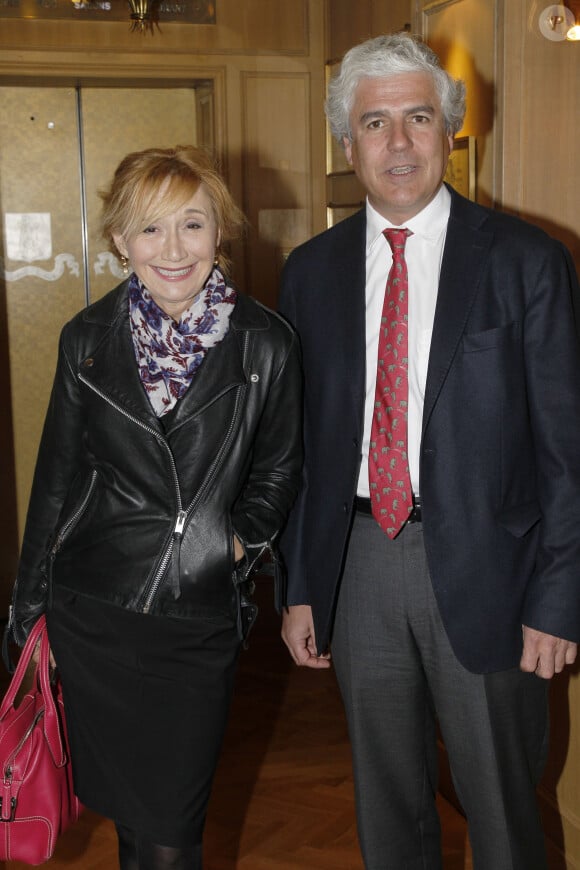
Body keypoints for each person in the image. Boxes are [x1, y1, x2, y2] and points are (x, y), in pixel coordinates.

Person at [278, 32, 580, 870]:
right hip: (359, 566)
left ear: (448, 131)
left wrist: (559, 598)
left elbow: (568, 448)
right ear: (348, 144)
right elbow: (303, 448)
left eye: (418, 118)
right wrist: (303, 586)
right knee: (387, 806)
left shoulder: (528, 262)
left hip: (496, 573)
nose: (398, 143)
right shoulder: (309, 273)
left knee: (505, 815)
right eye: (376, 123)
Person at [7, 145, 302, 870]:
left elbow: (280, 470)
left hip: (193, 623)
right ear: (119, 241)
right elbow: (56, 483)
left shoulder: (266, 344)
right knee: (135, 829)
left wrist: (227, 547)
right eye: (150, 229)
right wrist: (23, 615)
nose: (173, 250)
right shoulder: (86, 340)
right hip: (94, 610)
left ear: (219, 233)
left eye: (192, 225)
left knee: (172, 831)